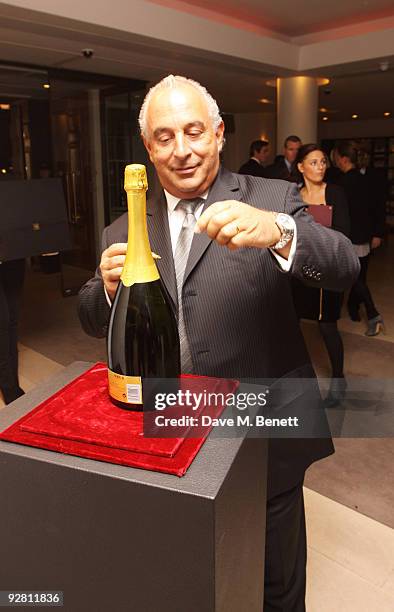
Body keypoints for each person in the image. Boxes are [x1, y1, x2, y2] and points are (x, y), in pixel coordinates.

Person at [78, 75, 359, 611]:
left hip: (262, 433)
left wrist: (279, 232)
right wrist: (108, 288)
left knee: (275, 583)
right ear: (149, 147)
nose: (181, 150)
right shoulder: (123, 229)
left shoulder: (273, 197)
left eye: (194, 131)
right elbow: (91, 317)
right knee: (192, 574)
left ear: (220, 133)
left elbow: (343, 265)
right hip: (167, 435)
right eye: (165, 137)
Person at [292, 144, 350, 407]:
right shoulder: (293, 194)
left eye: (323, 162)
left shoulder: (335, 192)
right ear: (301, 166)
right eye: (313, 162)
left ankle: (339, 379)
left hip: (327, 271)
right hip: (300, 270)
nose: (320, 166)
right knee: (293, 327)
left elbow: (343, 233)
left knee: (327, 326)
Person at [333, 141, 385, 336]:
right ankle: (354, 310)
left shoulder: (341, 184)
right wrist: (377, 233)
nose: (335, 161)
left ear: (344, 159)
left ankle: (373, 314)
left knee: (355, 278)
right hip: (364, 236)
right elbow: (376, 208)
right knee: (360, 276)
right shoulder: (365, 179)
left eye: (337, 157)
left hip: (350, 237)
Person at [0, 258, 25, 404]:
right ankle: (9, 389)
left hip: (13, 255)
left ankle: (13, 386)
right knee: (2, 323)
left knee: (12, 320)